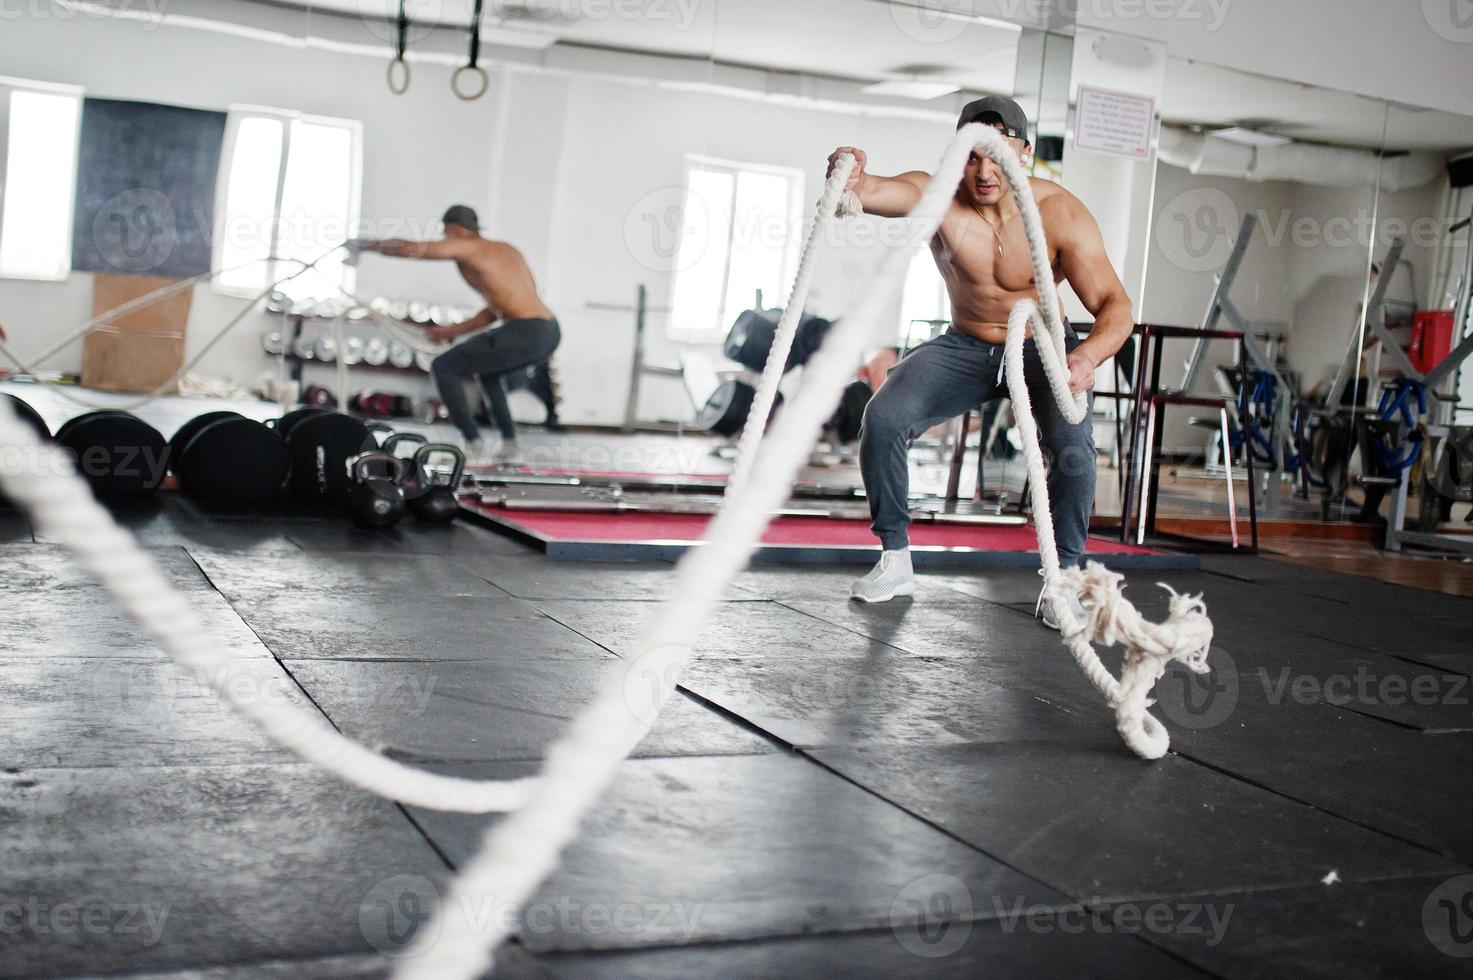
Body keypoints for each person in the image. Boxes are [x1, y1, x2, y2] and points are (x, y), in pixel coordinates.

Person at [833, 96, 1134, 628]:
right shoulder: (939, 196)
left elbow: (1117, 306)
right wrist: (852, 179)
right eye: (972, 154)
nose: (984, 169)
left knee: (1074, 452)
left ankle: (1062, 580)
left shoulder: (1060, 213)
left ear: (1025, 153)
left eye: (998, 153)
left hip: (1043, 347)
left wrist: (1086, 357)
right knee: (883, 417)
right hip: (967, 345)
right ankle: (896, 558)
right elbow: (880, 191)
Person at [347, 205, 560, 467]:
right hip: (547, 330)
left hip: (526, 330)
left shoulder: (467, 246)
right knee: (488, 373)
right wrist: (450, 332)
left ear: (453, 230)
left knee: (444, 366)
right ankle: (510, 446)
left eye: (446, 235)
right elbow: (493, 313)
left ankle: (472, 443)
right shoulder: (506, 251)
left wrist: (365, 245)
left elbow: (412, 249)